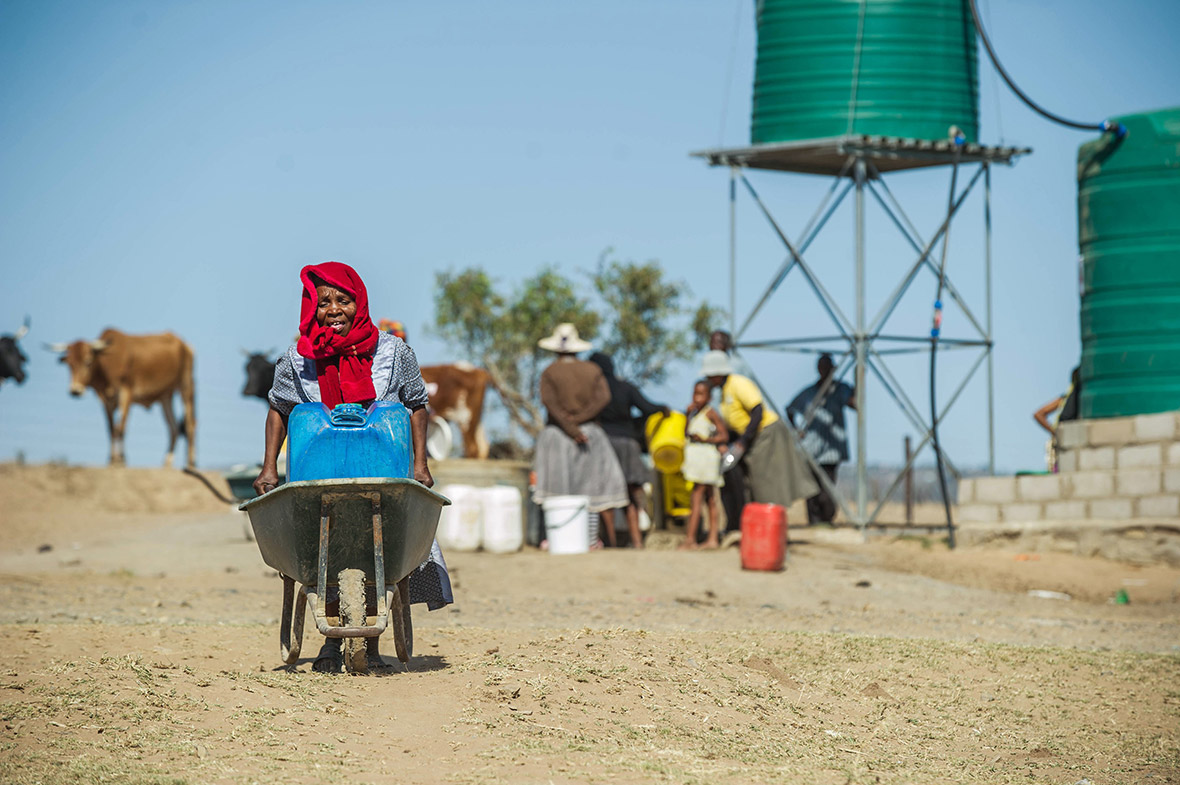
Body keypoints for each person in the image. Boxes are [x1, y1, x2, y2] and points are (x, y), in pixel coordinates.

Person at [253, 261, 452, 673]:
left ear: (359, 302)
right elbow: (278, 409)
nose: (334, 310)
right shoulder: (298, 359)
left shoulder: (393, 353)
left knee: (382, 552)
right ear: (311, 308)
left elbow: (416, 404)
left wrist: (420, 463)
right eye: (323, 303)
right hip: (317, 474)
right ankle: (328, 647)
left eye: (343, 300)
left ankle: (372, 646)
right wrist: (269, 467)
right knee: (316, 552)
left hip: (383, 472)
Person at [533, 324, 628, 547]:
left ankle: (555, 536)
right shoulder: (592, 370)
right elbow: (603, 398)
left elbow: (550, 403)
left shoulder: (549, 371)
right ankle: (592, 538)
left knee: (557, 487)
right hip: (590, 434)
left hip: (557, 436)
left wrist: (569, 426)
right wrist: (580, 423)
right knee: (592, 489)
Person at [701, 350, 817, 511]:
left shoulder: (738, 384)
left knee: (766, 480)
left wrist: (744, 441)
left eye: (709, 375)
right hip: (751, 437)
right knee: (756, 481)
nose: (708, 379)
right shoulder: (724, 390)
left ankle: (772, 518)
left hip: (766, 434)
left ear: (718, 373)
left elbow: (757, 410)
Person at [588, 352, 666, 548]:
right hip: (628, 445)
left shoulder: (594, 390)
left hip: (604, 444)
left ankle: (611, 542)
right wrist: (663, 409)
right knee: (630, 494)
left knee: (606, 496)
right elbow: (648, 407)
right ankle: (637, 541)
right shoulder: (626, 387)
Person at [786, 353, 856, 524]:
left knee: (827, 488)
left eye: (828, 367)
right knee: (811, 488)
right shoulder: (809, 393)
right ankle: (814, 521)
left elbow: (855, 404)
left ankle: (827, 518)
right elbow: (790, 409)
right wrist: (796, 429)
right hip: (810, 448)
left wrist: (859, 377)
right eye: (822, 367)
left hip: (831, 450)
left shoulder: (840, 390)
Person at [707, 330, 750, 533]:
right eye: (711, 342)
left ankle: (743, 523)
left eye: (718, 342)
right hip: (719, 433)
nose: (714, 345)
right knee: (725, 481)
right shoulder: (708, 367)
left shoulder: (737, 368)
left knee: (739, 481)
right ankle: (731, 523)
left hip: (738, 432)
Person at [680, 380, 727, 550]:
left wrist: (706, 439)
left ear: (709, 397)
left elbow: (724, 436)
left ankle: (692, 539)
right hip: (696, 460)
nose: (697, 398)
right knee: (710, 499)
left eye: (701, 394)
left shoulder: (710, 413)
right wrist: (687, 415)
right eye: (695, 393)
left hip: (706, 459)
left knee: (699, 498)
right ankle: (710, 538)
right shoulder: (693, 413)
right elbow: (685, 433)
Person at [1034, 366, 1082, 472]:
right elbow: (1038, 414)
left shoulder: (1066, 399)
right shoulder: (1068, 399)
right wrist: (1056, 433)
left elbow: (1039, 414)